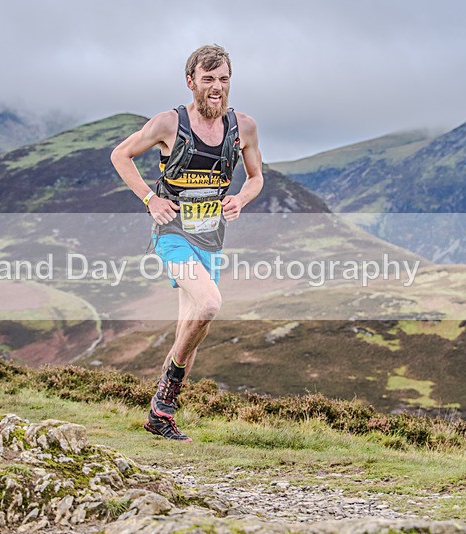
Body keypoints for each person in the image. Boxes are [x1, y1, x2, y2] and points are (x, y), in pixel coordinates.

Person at [111, 45, 264, 441]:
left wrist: (240, 199)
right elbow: (121, 155)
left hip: (211, 238)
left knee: (191, 331)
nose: (217, 87)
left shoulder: (244, 127)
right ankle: (167, 392)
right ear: (190, 81)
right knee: (210, 304)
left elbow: (256, 178)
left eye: (224, 79)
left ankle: (159, 415)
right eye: (208, 79)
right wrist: (150, 198)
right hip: (173, 234)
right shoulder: (168, 123)